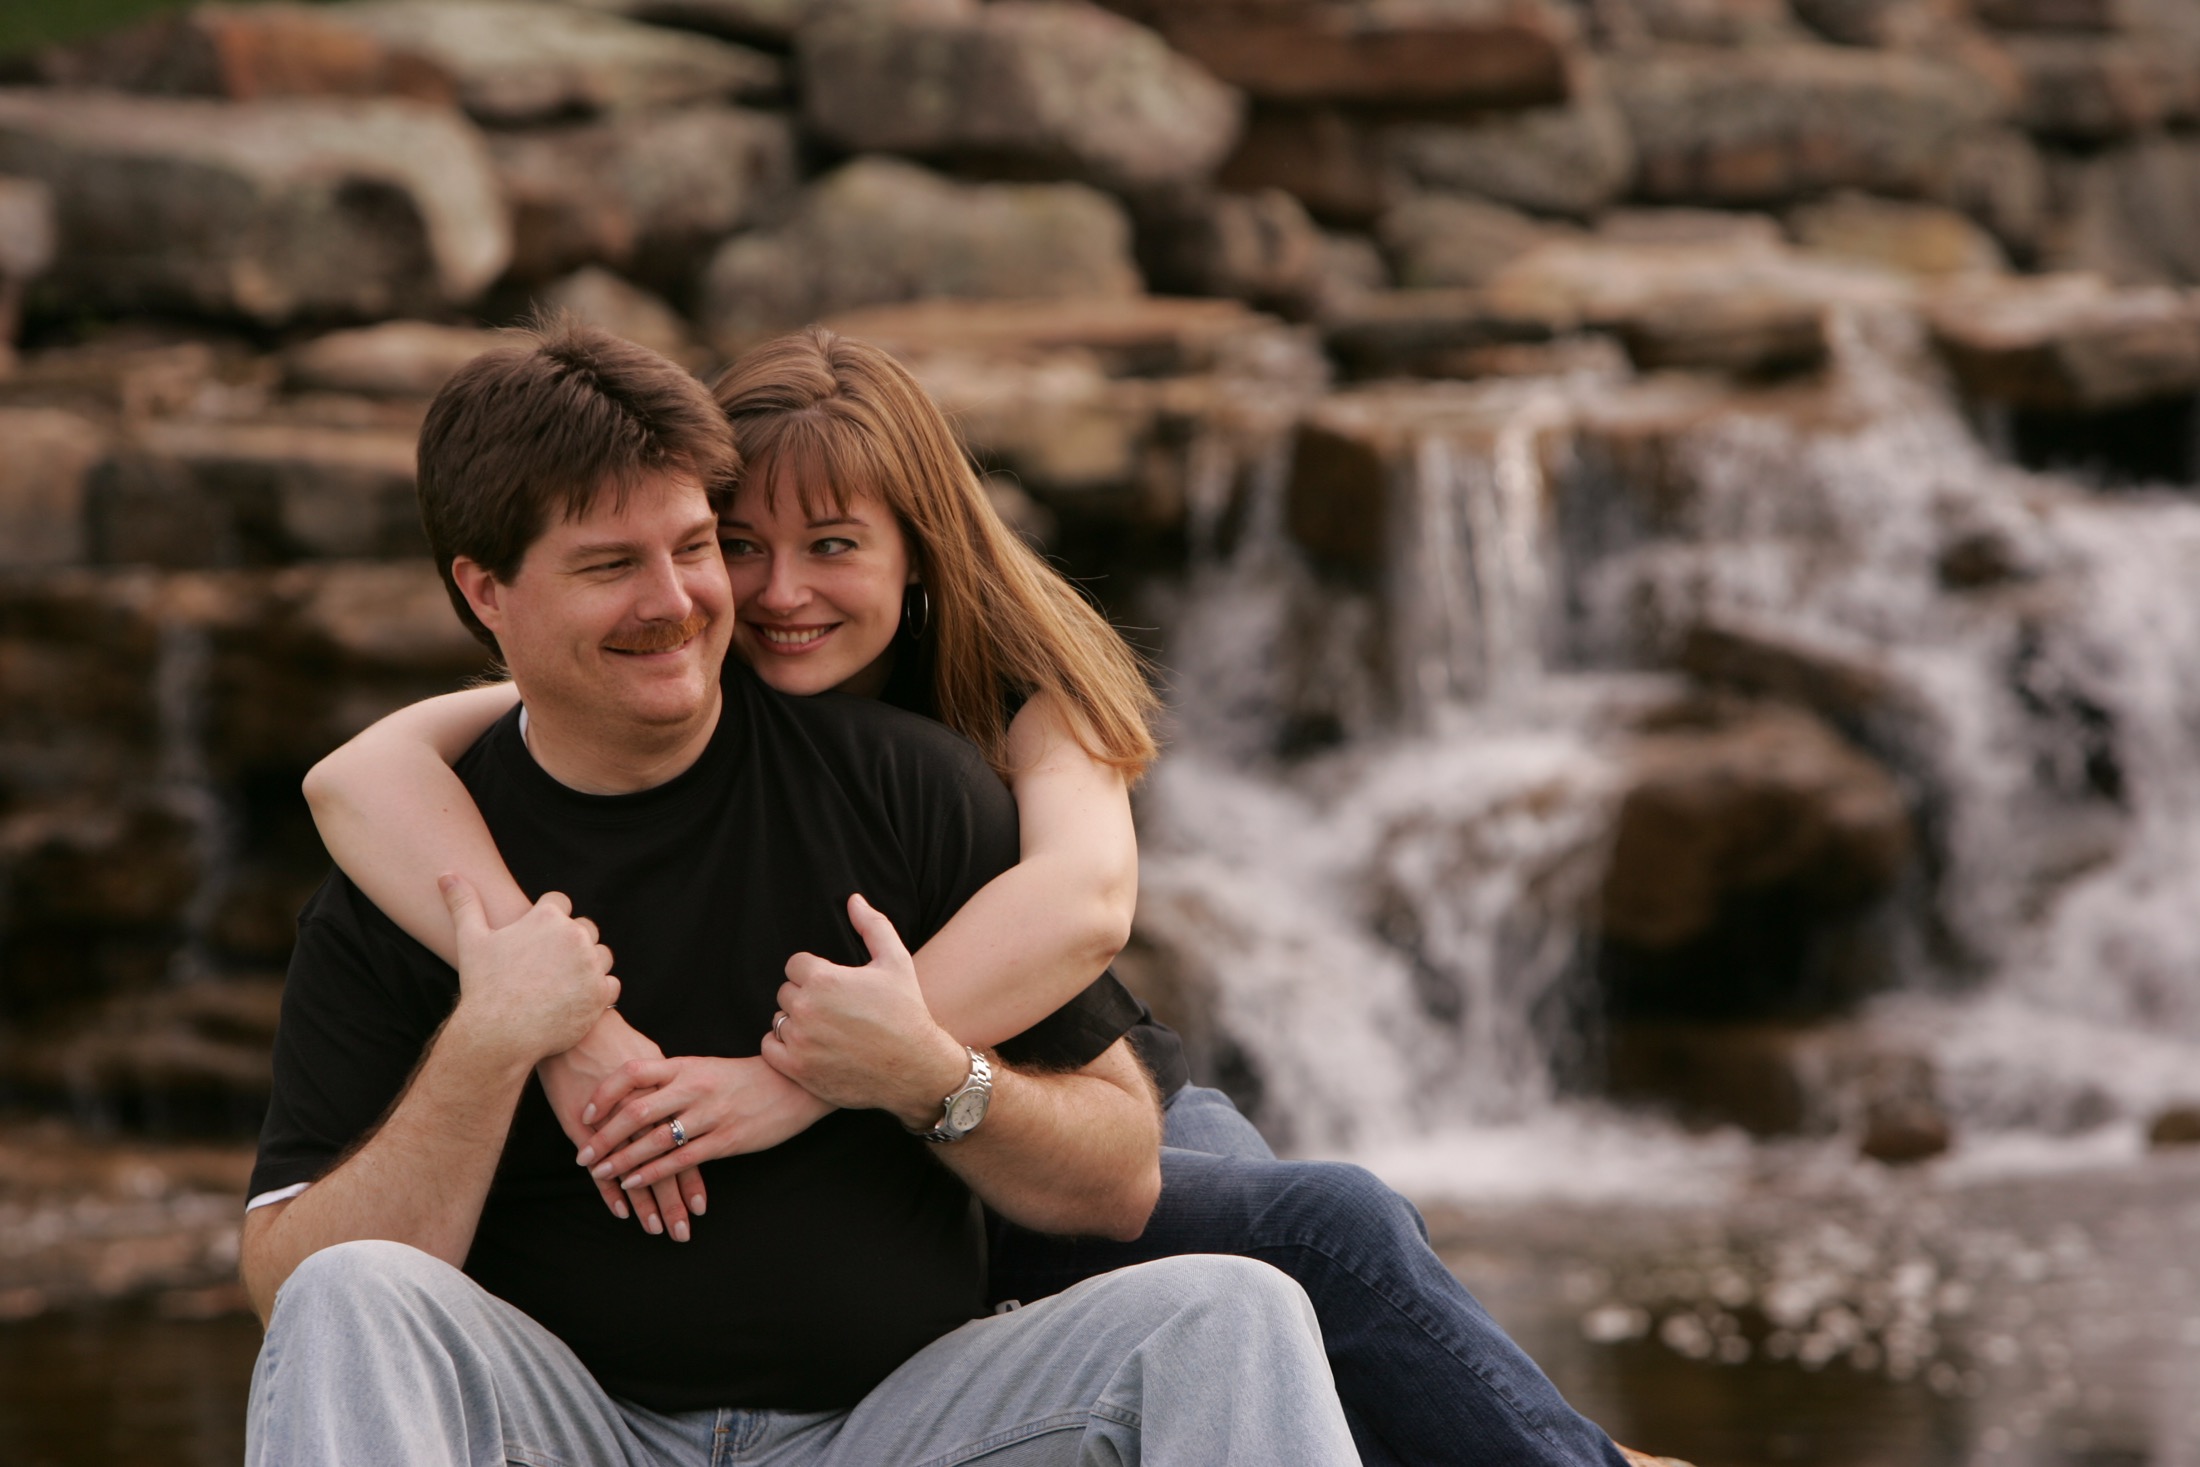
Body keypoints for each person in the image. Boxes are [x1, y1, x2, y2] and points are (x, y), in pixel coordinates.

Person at [305, 326, 1639, 1467]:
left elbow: (1085, 903)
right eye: (738, 543)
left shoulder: (1006, 694)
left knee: (1311, 1242)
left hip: (1005, 1064)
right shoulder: (670, 658)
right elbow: (361, 776)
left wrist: (803, 1079)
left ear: (920, 551)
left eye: (833, 544)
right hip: (860, 1172)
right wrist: (555, 1022)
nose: (777, 592)